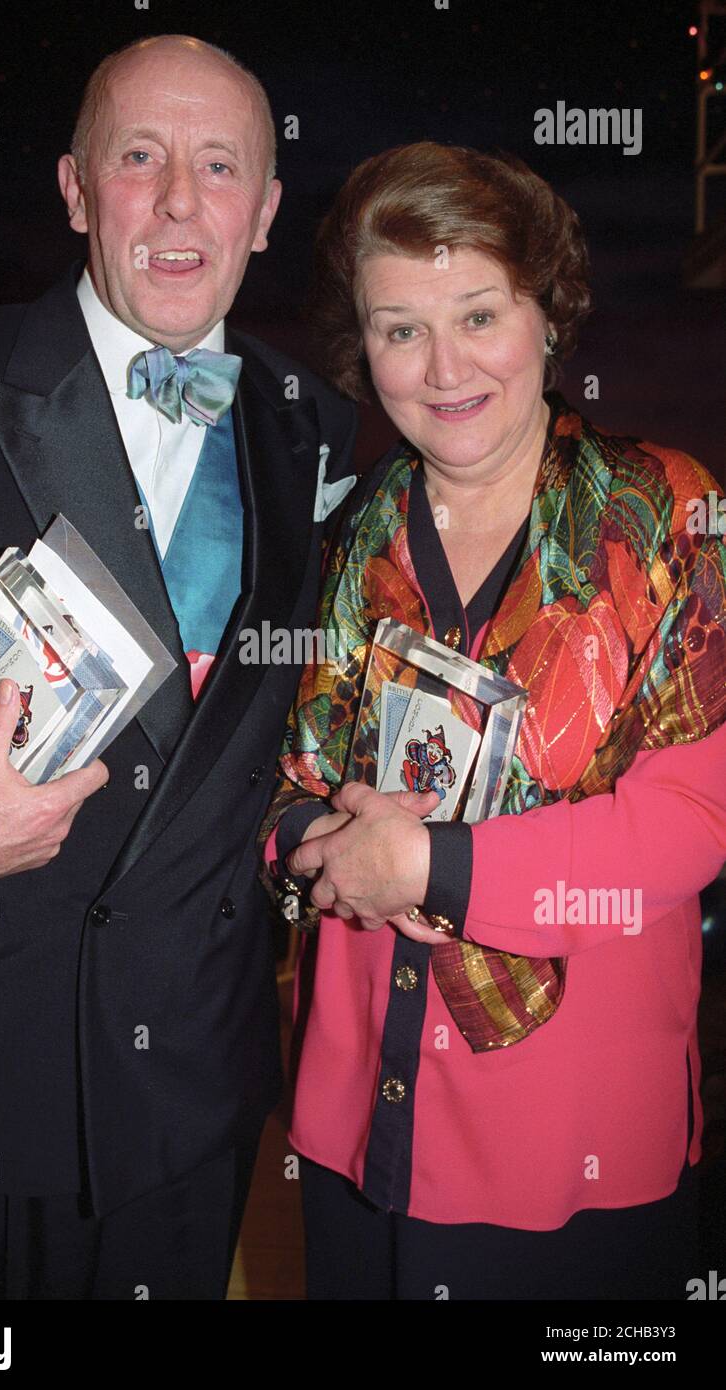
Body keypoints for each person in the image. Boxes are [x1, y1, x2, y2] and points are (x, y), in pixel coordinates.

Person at [0, 34, 357, 1300]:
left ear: (264, 213)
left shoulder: (317, 426)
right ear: (78, 191)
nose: (181, 200)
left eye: (218, 166)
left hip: (190, 1076)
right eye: (141, 159)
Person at [260, 142, 726, 1300]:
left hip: (570, 1156)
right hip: (354, 1129)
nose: (441, 365)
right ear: (358, 346)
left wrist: (430, 862)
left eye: (477, 313)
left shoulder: (664, 515)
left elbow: (687, 822)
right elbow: (269, 775)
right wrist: (310, 846)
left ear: (547, 314)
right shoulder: (345, 533)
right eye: (397, 327)